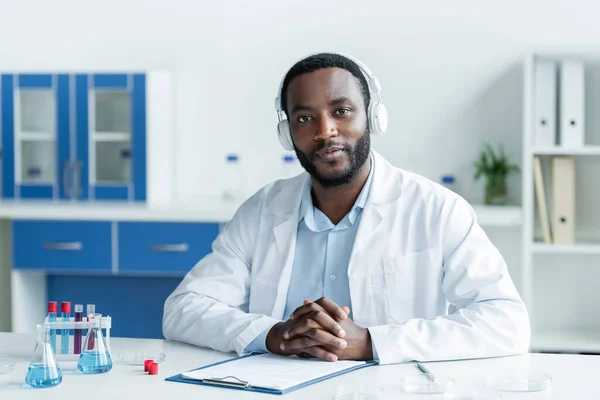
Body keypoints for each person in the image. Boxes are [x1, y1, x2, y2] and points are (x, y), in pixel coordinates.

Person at [162, 52, 531, 365]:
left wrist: (371, 342)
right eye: (304, 118)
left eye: (341, 110)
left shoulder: (437, 209)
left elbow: (506, 322)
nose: (326, 131)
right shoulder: (262, 210)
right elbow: (182, 310)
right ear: (287, 132)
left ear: (372, 117)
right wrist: (274, 335)